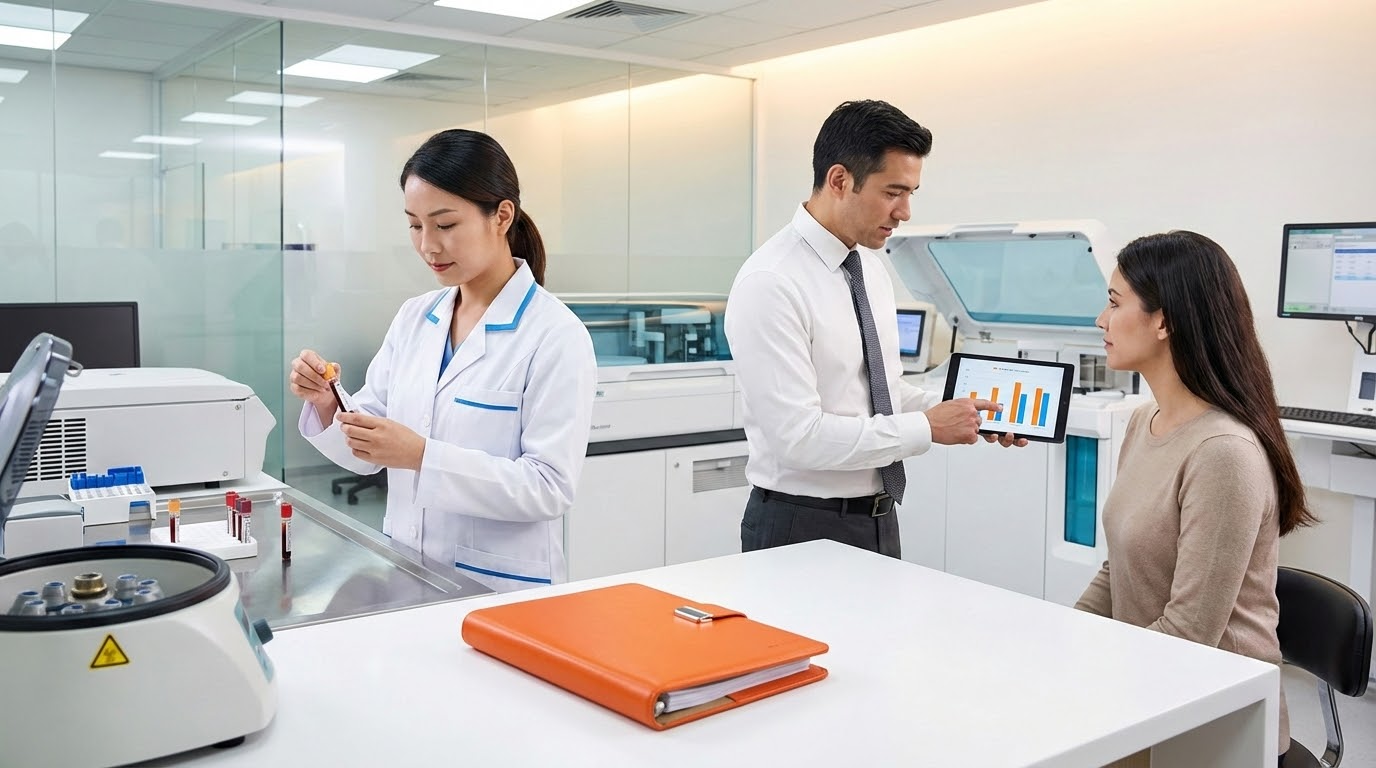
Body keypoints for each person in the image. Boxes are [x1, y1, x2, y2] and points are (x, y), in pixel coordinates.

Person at [288, 128, 596, 592]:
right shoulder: (415, 318)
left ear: (501, 216)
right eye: (415, 225)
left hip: (501, 589)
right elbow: (370, 446)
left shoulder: (555, 335)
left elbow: (548, 487)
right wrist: (329, 403)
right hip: (405, 570)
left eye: (445, 224)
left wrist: (421, 456)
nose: (428, 245)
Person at [725, 100, 1024, 559]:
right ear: (840, 180)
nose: (904, 211)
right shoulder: (772, 282)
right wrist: (926, 427)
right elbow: (799, 439)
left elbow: (881, 394)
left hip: (878, 518)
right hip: (799, 524)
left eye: (911, 193)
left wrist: (965, 412)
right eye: (892, 192)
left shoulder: (868, 267)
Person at [1074, 230, 1316, 760]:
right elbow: (1120, 570)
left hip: (1212, 719)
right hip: (1151, 688)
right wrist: (1064, 637)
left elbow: (1188, 635)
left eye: (1115, 304)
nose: (1101, 320)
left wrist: (1089, 679)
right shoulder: (1145, 422)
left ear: (1164, 321)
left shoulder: (1223, 452)